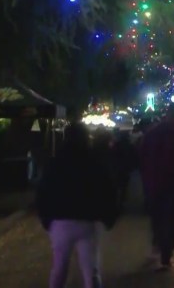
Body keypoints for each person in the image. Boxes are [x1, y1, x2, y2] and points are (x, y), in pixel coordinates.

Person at [36, 122, 119, 288]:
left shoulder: (55, 162)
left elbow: (43, 191)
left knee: (60, 267)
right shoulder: (94, 161)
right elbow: (107, 189)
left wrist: (46, 218)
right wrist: (109, 216)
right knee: (91, 270)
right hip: (88, 220)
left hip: (60, 220)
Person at [139, 102, 174, 270]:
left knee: (157, 217)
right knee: (172, 220)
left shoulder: (152, 133)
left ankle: (158, 245)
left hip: (154, 182)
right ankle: (166, 254)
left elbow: (142, 156)